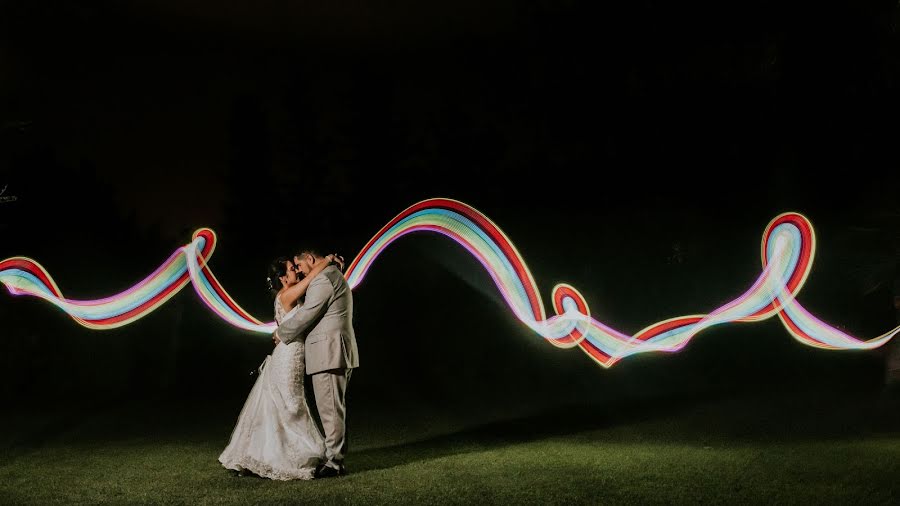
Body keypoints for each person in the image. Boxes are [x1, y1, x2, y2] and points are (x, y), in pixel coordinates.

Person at [218, 254, 340, 480]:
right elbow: (312, 276)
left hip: (292, 353)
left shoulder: (286, 294)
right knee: (290, 405)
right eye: (292, 269)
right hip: (288, 354)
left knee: (288, 403)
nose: (297, 270)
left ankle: (271, 453)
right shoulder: (286, 295)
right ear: (283, 279)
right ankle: (284, 456)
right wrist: (328, 259)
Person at [275, 247, 358, 478]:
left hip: (328, 351)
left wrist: (281, 332)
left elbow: (309, 312)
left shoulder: (324, 279)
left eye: (299, 266)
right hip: (331, 351)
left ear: (310, 259)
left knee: (330, 410)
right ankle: (334, 457)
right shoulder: (329, 274)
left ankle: (335, 462)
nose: (299, 272)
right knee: (333, 408)